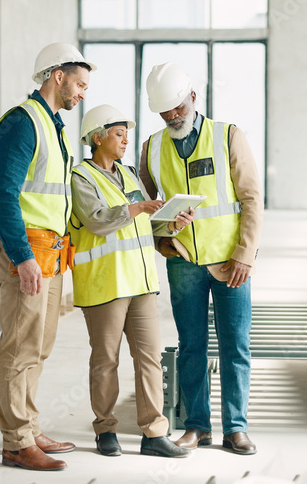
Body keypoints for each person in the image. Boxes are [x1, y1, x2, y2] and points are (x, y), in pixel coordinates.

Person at [138, 62, 263, 455]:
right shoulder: (152, 148)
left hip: (230, 263)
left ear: (193, 98)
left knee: (235, 346)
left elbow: (251, 199)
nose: (173, 117)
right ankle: (197, 426)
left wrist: (245, 254)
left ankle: (236, 427)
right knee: (191, 346)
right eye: (165, 112)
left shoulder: (228, 136)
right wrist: (164, 238)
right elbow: (147, 209)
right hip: (183, 264)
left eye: (177, 107)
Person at [0, 42, 95, 471]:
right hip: (25, 252)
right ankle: (15, 443)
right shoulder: (22, 123)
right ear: (57, 75)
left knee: (39, 345)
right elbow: (6, 196)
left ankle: (27, 427)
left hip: (49, 252)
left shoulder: (53, 126)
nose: (82, 93)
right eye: (80, 84)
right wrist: (22, 256)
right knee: (18, 347)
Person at [69, 105, 194, 458]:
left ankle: (154, 433)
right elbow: (96, 221)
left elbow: (147, 224)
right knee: (106, 361)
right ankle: (105, 429)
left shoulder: (128, 174)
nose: (125, 141)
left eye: (127, 135)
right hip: (105, 285)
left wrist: (172, 223)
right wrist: (137, 209)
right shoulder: (81, 177)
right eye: (118, 134)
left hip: (140, 284)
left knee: (149, 358)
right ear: (97, 137)